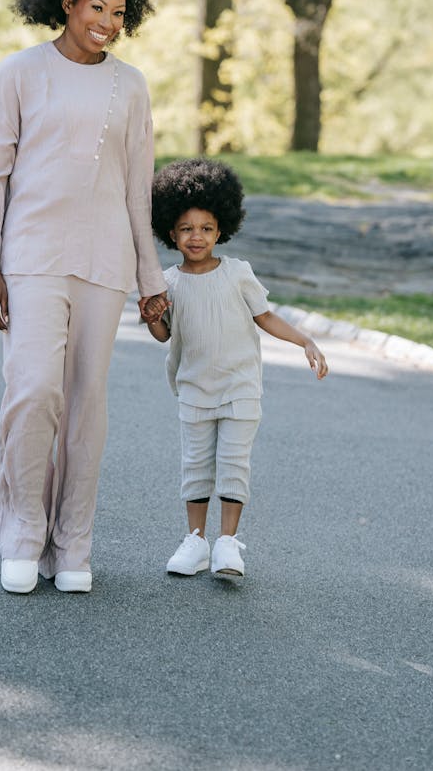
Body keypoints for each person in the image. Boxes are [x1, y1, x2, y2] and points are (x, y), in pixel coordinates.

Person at [0, 0, 169, 595]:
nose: (108, 23)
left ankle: (72, 543)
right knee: (33, 393)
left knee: (87, 404)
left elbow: (138, 191)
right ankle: (23, 533)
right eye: (96, 8)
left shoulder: (131, 87)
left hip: (105, 263)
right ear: (66, 2)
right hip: (29, 259)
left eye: (119, 12)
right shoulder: (18, 73)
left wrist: (151, 283)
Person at [144, 158, 328, 580]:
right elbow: (162, 335)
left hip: (241, 387)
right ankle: (195, 542)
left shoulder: (238, 273)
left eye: (207, 228)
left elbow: (266, 317)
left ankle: (227, 544)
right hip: (192, 387)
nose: (197, 237)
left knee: (233, 462)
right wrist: (151, 312)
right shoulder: (168, 282)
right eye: (187, 228)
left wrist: (306, 341)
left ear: (221, 229)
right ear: (170, 231)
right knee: (195, 465)